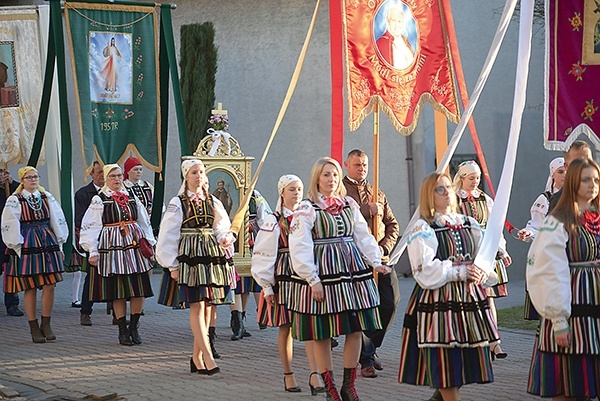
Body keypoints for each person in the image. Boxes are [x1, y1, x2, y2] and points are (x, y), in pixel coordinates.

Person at [288, 157, 389, 401]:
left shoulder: (348, 204)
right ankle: (330, 387)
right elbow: (299, 245)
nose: (331, 179)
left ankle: (348, 385)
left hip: (351, 271)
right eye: (326, 175)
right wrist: (312, 279)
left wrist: (376, 261)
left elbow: (362, 235)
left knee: (354, 329)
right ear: (317, 179)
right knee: (323, 332)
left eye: (334, 174)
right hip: (324, 272)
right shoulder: (307, 208)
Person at [398, 171, 500, 401]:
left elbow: (483, 256)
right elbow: (424, 270)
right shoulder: (423, 228)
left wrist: (481, 269)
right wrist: (460, 271)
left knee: (463, 360)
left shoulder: (468, 223)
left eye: (448, 188)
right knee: (445, 363)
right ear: (429, 196)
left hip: (467, 301)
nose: (446, 193)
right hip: (438, 301)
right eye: (439, 189)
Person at [526, 158, 600, 401]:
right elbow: (547, 270)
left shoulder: (597, 217)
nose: (592, 185)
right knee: (568, 387)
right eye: (586, 179)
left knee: (589, 385)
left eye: (596, 180)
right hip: (572, 310)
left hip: (595, 316)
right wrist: (559, 320)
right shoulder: (557, 221)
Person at [156, 159, 235, 375]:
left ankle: (196, 358)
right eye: (194, 172)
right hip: (190, 257)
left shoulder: (212, 200)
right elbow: (168, 234)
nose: (198, 176)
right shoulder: (178, 202)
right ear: (186, 176)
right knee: (197, 305)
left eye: (201, 172)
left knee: (208, 306)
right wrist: (171, 264)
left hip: (210, 255)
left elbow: (220, 226)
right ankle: (208, 357)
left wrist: (225, 238)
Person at [251, 174, 325, 395]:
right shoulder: (273, 220)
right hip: (284, 276)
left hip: (304, 276)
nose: (297, 193)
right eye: (292, 189)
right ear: (282, 192)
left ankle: (315, 374)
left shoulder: (308, 215)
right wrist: (266, 285)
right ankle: (288, 374)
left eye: (299, 189)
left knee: (309, 325)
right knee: (286, 326)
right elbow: (263, 253)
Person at [79, 164, 155, 346]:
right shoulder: (99, 200)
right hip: (113, 247)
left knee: (139, 289)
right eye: (112, 176)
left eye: (119, 175)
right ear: (106, 178)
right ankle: (122, 330)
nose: (117, 179)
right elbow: (91, 226)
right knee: (118, 291)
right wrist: (92, 250)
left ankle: (134, 327)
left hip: (134, 246)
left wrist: (151, 244)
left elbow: (144, 222)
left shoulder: (132, 196)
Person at [342, 149, 400, 379]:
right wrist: (366, 210)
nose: (361, 168)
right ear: (347, 164)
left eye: (364, 165)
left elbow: (392, 224)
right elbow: (344, 220)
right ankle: (365, 359)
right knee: (365, 308)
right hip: (356, 259)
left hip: (381, 258)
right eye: (357, 165)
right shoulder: (341, 192)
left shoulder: (377, 192)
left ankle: (370, 346)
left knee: (390, 302)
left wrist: (384, 247)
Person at [1, 166, 68, 343]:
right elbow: (9, 223)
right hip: (27, 241)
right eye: (29, 177)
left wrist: (60, 245)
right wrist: (16, 246)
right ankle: (33, 326)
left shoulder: (46, 196)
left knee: (50, 284)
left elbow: (57, 219)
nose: (33, 180)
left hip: (47, 239)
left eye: (36, 176)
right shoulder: (15, 199)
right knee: (30, 286)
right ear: (22, 180)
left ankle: (46, 323)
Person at [453, 160, 512, 359]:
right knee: (467, 301)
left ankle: (495, 343)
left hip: (485, 254)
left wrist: (502, 251)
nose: (475, 182)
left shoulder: (485, 199)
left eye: (477, 178)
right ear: (461, 178)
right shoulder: (454, 200)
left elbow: (495, 228)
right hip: (465, 254)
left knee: (487, 300)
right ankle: (475, 343)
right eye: (471, 178)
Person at [517, 157, 565, 321]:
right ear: (553, 175)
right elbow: (536, 226)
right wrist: (528, 233)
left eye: (567, 170)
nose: (565, 174)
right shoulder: (545, 200)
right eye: (560, 172)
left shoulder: (578, 198)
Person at [230, 188, 272, 339]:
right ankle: (237, 322)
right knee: (236, 280)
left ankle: (243, 319)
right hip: (232, 240)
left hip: (250, 240)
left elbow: (263, 220)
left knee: (247, 281)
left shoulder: (255, 195)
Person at [72, 161, 104, 326]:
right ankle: (85, 311)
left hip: (112, 240)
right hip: (93, 239)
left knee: (115, 274)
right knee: (92, 277)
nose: (102, 176)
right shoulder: (84, 194)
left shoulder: (114, 193)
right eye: (98, 172)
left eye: (104, 172)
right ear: (91, 174)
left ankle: (116, 312)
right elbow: (79, 218)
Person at [0, 167, 23, 317]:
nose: (1, 175)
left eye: (3, 172)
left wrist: (12, 183)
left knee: (11, 270)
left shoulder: (14, 189)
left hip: (9, 233)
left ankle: (12, 303)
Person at [548, 140, 592, 213]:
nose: (585, 165)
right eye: (578, 162)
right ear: (566, 166)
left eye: (589, 160)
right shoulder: (559, 201)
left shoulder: (596, 193)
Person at [376, 5, 415, 70]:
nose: (397, 25)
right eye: (394, 21)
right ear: (388, 21)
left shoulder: (405, 40)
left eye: (399, 21)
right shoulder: (381, 43)